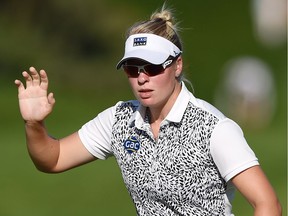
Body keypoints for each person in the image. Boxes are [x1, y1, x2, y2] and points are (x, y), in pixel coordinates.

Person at [15, 6, 281, 216]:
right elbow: (53, 159)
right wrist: (34, 124)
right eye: (133, 69)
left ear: (177, 66)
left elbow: (268, 204)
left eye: (152, 68)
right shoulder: (119, 120)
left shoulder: (213, 128)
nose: (142, 78)